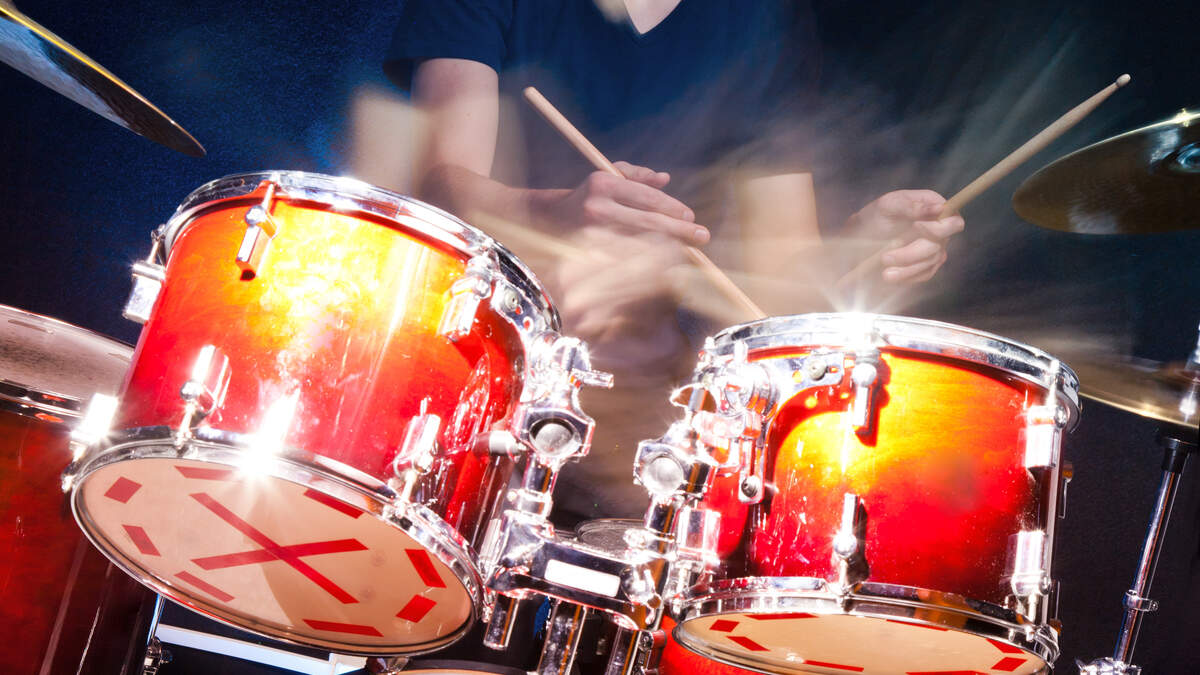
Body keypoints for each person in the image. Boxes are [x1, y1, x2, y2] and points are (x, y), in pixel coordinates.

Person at [385, 0, 964, 523]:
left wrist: (859, 248)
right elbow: (440, 190)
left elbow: (774, 293)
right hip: (473, 386)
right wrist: (554, 214)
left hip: (641, 442)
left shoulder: (763, 18)